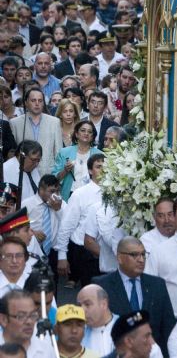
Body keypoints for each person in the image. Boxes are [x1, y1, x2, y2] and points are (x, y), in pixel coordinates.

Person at [92, 238, 175, 358]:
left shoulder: (157, 285)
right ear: (119, 257)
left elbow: (168, 327)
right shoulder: (102, 286)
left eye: (143, 254)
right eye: (134, 255)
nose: (141, 260)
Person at [54, 153, 105, 288]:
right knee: (91, 295)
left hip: (108, 250)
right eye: (99, 166)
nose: (104, 169)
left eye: (106, 166)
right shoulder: (80, 194)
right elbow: (67, 225)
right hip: (85, 252)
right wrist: (62, 256)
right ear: (90, 171)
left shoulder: (116, 193)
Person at [21, 175, 64, 284]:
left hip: (53, 251)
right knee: (32, 283)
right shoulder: (27, 204)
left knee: (53, 284)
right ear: (41, 189)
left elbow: (67, 225)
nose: (55, 195)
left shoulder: (60, 204)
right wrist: (32, 232)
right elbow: (18, 226)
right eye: (52, 191)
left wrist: (58, 209)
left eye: (57, 191)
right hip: (33, 250)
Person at [9, 88, 62, 176]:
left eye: (40, 101)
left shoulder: (55, 122)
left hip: (48, 173)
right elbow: (14, 152)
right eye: (33, 100)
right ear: (26, 103)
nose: (37, 103)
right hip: (23, 173)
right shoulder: (15, 123)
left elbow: (58, 152)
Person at [52, 120, 102, 202]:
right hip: (69, 195)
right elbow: (54, 179)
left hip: (91, 197)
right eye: (83, 130)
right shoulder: (64, 152)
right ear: (76, 134)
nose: (86, 133)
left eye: (90, 132)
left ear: (93, 136)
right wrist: (65, 170)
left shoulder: (99, 155)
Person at [0, 290, 57, 358]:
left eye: (33, 315)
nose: (29, 322)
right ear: (4, 320)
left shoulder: (46, 349)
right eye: (21, 316)